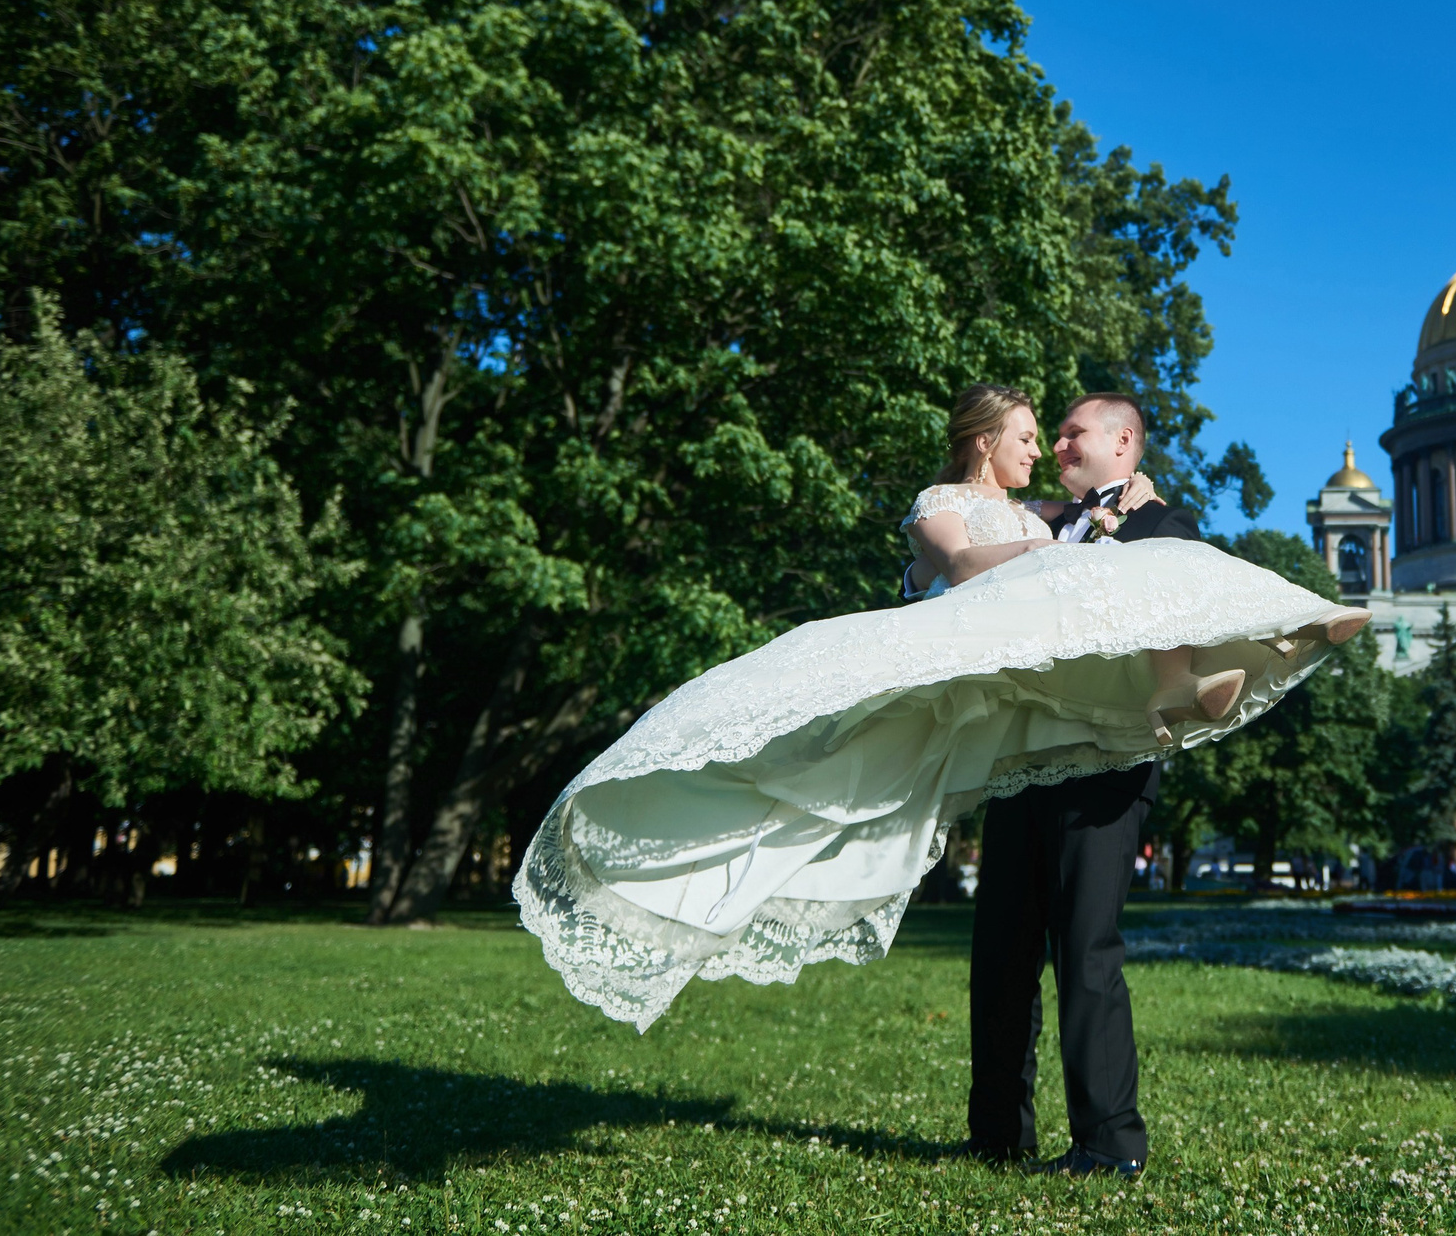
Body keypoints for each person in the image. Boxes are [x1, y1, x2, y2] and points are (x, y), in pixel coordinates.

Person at [515, 385, 1366, 1179]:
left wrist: (1127, 521)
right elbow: (966, 567)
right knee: (1000, 950)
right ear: (991, 442)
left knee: (1085, 947)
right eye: (1044, 434)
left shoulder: (1156, 522)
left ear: (1124, 443)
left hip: (1105, 763)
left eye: (1072, 432)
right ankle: (998, 1133)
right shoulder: (1035, 518)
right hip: (1015, 754)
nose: (1057, 445)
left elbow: (1181, 582)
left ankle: (1109, 1139)